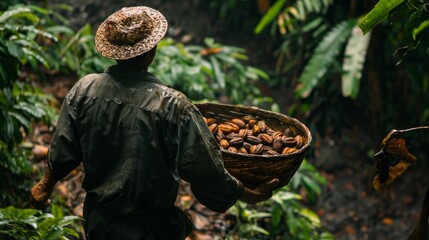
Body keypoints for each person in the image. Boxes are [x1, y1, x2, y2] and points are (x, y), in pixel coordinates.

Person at [30, 6, 279, 240]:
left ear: (114, 51)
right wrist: (249, 195)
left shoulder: (84, 89)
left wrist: (45, 186)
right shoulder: (173, 106)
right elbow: (205, 172)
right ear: (151, 51)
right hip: (151, 229)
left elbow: (64, 147)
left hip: (99, 223)